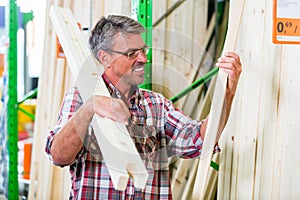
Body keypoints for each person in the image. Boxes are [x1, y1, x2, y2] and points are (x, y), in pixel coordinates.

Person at [45, 15, 242, 199]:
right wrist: (90, 108)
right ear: (105, 58)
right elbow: (59, 156)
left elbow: (199, 141)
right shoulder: (82, 97)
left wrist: (227, 94)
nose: (143, 59)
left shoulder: (155, 104)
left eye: (143, 50)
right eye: (132, 53)